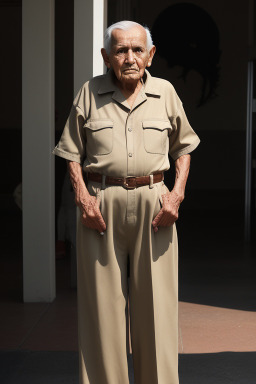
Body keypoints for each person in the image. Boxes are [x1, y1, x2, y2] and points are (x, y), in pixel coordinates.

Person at [53, 20, 200, 384]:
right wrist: (83, 198)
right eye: (120, 50)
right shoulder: (89, 92)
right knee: (101, 311)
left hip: (156, 206)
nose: (129, 57)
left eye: (137, 50)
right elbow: (71, 152)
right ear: (106, 56)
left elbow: (184, 146)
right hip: (100, 209)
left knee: (158, 309)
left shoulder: (165, 93)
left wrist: (177, 195)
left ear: (150, 55)